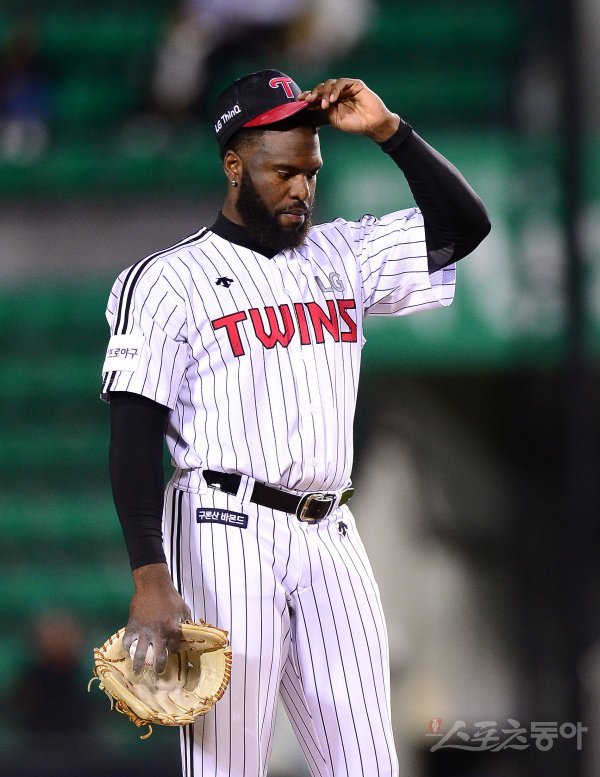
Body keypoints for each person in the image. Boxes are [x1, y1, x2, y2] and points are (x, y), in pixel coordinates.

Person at [102, 69, 490, 777]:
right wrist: (150, 575)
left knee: (370, 763)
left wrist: (391, 134)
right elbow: (132, 431)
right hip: (224, 529)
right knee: (230, 766)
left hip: (331, 531)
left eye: (310, 171)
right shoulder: (165, 280)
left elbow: (466, 228)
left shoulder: (344, 253)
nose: (301, 188)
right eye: (282, 171)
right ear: (234, 163)